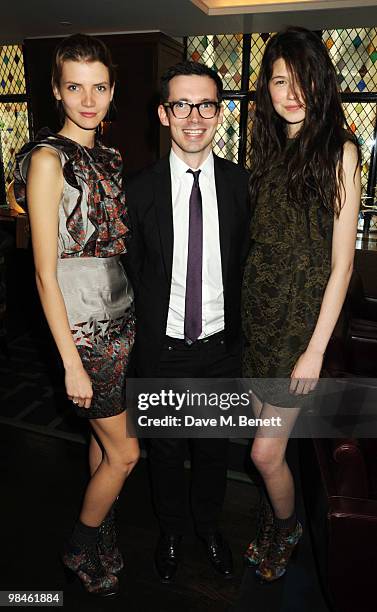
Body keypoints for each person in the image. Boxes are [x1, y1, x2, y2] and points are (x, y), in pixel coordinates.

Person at [14, 33, 139, 597]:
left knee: (103, 441)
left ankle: (103, 538)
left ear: (112, 91)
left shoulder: (109, 155)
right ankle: (80, 546)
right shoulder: (47, 158)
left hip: (123, 319)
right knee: (127, 451)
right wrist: (70, 362)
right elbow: (45, 273)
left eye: (99, 87)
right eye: (74, 87)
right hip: (83, 330)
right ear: (57, 91)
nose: (88, 100)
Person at [242, 26, 361, 582]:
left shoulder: (340, 152)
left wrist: (314, 351)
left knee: (264, 454)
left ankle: (287, 529)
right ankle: (275, 518)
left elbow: (341, 266)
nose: (290, 93)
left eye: (302, 79)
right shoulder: (265, 146)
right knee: (268, 445)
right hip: (257, 320)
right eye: (279, 80)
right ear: (267, 87)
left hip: (297, 330)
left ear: (321, 82)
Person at [125, 61, 250, 582]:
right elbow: (131, 271)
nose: (193, 117)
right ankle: (172, 532)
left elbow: (246, 261)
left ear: (218, 113)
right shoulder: (139, 189)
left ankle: (209, 528)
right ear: (163, 113)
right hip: (163, 349)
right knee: (167, 451)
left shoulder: (243, 185)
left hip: (220, 348)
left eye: (204, 105)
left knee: (212, 450)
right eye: (181, 105)